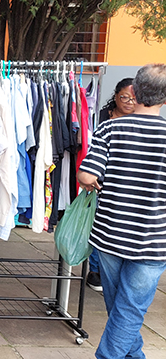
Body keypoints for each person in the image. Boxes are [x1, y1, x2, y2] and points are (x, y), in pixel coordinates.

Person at [77, 64, 166, 359]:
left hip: (111, 234)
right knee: (128, 310)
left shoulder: (110, 128)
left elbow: (87, 176)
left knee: (122, 308)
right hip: (154, 240)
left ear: (136, 92)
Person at [86, 77, 135, 292]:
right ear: (115, 96)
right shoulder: (103, 119)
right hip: (100, 181)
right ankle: (95, 270)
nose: (129, 102)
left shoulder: (142, 121)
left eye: (134, 98)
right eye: (124, 97)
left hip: (127, 185)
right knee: (101, 226)